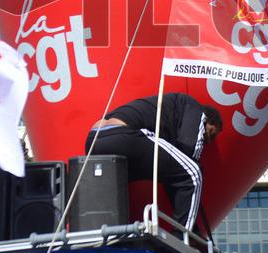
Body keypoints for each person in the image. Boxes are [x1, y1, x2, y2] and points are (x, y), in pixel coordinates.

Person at [85, 93, 222, 232]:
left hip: (94, 140)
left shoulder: (172, 109)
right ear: (207, 120)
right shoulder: (196, 110)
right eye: (210, 133)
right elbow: (190, 154)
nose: (208, 141)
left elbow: (174, 173)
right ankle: (183, 238)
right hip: (123, 134)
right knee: (193, 173)